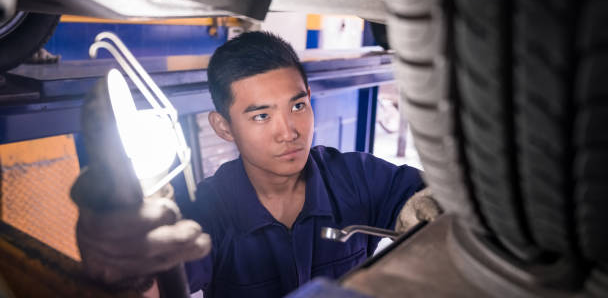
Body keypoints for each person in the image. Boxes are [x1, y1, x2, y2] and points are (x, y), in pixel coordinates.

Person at [72, 31, 437, 298]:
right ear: (224, 127)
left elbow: (435, 205)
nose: (288, 132)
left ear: (310, 99)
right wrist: (126, 272)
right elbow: (155, 286)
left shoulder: (357, 177)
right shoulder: (207, 209)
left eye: (297, 106)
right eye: (261, 116)